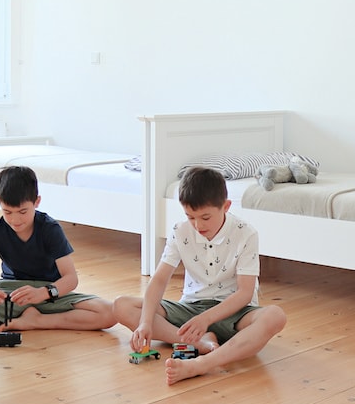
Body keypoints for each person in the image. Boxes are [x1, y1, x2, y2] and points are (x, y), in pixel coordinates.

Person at [114, 165, 287, 385]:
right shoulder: (180, 231)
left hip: (235, 312)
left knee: (275, 316)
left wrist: (207, 319)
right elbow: (159, 280)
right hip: (192, 309)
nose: (197, 225)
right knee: (122, 305)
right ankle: (200, 343)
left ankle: (202, 364)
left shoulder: (246, 233)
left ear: (225, 206)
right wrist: (145, 323)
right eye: (190, 216)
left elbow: (244, 293)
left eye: (205, 217)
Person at [0, 165, 116, 336]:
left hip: (50, 294)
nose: (15, 220)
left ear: (37, 202)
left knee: (109, 313)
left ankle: (36, 320)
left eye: (23, 211)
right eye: (7, 212)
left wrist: (43, 293)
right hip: (11, 295)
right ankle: (5, 313)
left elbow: (70, 278)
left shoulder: (50, 228)